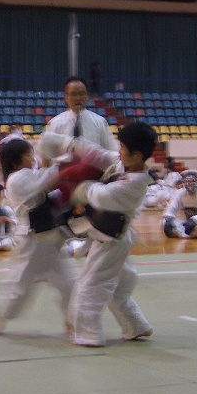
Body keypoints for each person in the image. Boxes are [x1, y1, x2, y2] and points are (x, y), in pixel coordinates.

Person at [63, 122, 157, 347]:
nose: (119, 151)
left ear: (137, 155)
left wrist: (82, 189)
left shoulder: (135, 183)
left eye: (123, 148)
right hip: (112, 237)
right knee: (117, 288)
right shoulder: (124, 164)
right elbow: (100, 155)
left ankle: (88, 334)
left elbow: (102, 197)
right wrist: (71, 144)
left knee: (91, 284)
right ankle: (136, 326)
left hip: (111, 240)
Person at [0, 137, 87, 336]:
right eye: (28, 154)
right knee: (20, 286)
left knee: (67, 283)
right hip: (32, 240)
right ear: (16, 161)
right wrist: (68, 160)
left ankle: (72, 322)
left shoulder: (29, 175)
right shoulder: (18, 178)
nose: (33, 158)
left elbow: (50, 192)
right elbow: (48, 180)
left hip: (49, 237)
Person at [44, 76, 118, 152]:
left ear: (87, 96)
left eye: (81, 94)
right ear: (66, 97)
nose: (78, 98)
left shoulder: (100, 122)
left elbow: (111, 151)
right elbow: (47, 155)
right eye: (73, 94)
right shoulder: (55, 123)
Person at [162, 169, 197, 239]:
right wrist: (169, 218)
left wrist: (194, 220)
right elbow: (171, 207)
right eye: (187, 181)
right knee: (164, 222)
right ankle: (185, 233)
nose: (189, 184)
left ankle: (180, 234)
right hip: (186, 224)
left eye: (192, 181)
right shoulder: (180, 192)